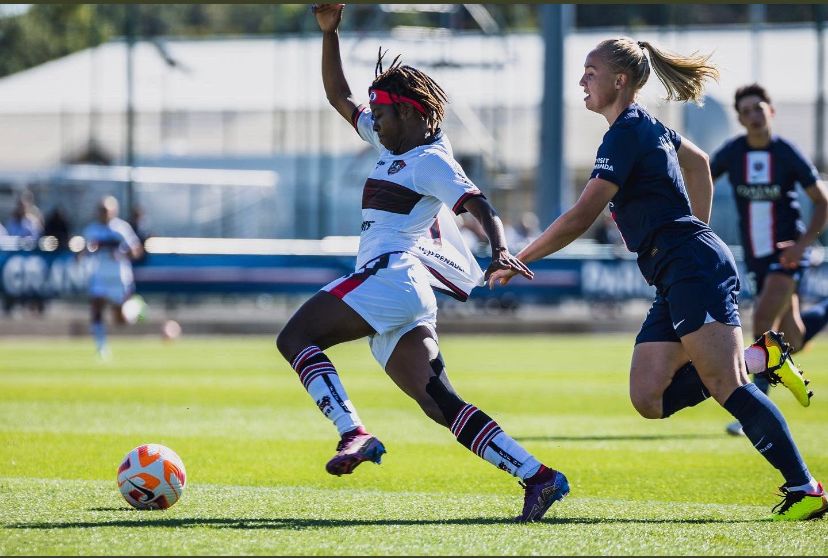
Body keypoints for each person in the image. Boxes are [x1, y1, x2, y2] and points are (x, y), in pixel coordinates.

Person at [490, 37, 827, 521]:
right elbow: (701, 164)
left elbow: (582, 215)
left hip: (690, 266)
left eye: (591, 71)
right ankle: (762, 356)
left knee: (725, 383)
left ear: (619, 80)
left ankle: (805, 489)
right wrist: (700, 229)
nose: (582, 80)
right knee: (649, 397)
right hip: (676, 270)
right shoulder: (645, 127)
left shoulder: (627, 132)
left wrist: (519, 257)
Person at [275, 3, 569, 523]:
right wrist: (331, 34)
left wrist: (499, 248)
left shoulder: (430, 159)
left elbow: (477, 204)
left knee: (295, 338)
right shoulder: (393, 144)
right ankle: (538, 477)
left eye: (382, 114)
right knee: (441, 404)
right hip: (401, 290)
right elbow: (337, 96)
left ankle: (353, 433)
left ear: (409, 113)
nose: (374, 122)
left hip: (391, 277)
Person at [710, 83, 828, 436]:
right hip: (757, 255)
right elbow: (702, 177)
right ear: (740, 119)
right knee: (793, 333)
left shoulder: (786, 153)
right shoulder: (732, 153)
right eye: (746, 111)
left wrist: (802, 244)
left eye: (758, 108)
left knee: (762, 317)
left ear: (770, 111)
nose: (753, 116)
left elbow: (823, 201)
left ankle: (755, 409)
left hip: (787, 251)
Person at [82, 196, 145, 359]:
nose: (104, 214)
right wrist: (84, 252)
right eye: (101, 210)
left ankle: (137, 309)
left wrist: (122, 253)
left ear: (114, 211)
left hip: (119, 277)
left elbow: (137, 250)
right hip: (100, 276)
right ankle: (101, 347)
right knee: (96, 307)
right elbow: (85, 250)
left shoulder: (121, 228)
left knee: (120, 320)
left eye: (107, 210)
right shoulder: (92, 230)